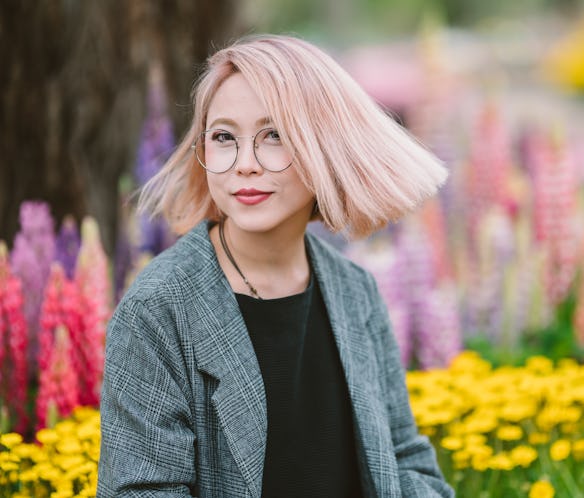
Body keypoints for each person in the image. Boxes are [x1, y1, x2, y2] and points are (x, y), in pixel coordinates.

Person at [97, 34, 454, 498]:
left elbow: (405, 458)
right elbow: (140, 491)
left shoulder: (355, 291)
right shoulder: (160, 310)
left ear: (324, 147)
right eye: (224, 137)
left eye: (274, 136)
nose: (244, 164)